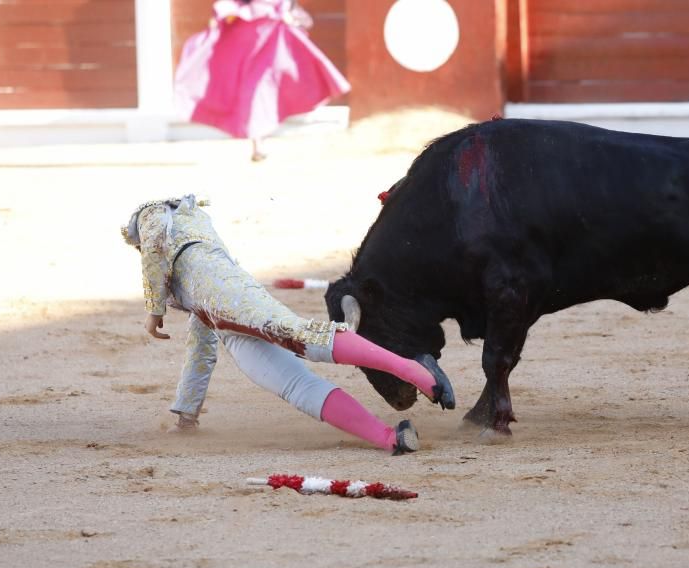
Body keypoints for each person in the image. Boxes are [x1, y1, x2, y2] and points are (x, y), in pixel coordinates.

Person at [120, 195, 455, 455]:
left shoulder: (156, 212)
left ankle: (414, 372)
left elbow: (152, 250)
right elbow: (201, 348)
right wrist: (187, 416)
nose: (140, 251)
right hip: (219, 314)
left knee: (300, 336)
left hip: (229, 294)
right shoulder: (185, 274)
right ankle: (389, 438)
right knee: (295, 386)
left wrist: (154, 309)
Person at [174, 0, 349, 162]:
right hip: (248, 37)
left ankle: (258, 143)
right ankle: (258, 143)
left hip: (268, 35)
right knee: (254, 91)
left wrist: (287, 12)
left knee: (257, 91)